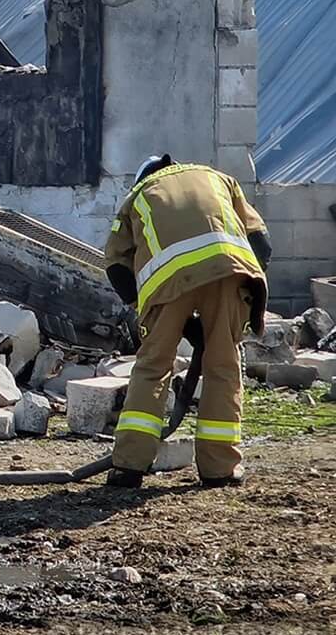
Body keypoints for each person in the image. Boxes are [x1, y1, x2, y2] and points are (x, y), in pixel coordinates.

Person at [103, 154, 271, 488]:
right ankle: (220, 469)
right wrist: (240, 296)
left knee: (153, 367)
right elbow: (261, 243)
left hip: (166, 285)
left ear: (145, 177)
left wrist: (148, 307)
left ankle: (129, 466)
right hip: (229, 271)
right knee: (222, 366)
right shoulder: (219, 179)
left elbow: (116, 266)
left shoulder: (136, 197)